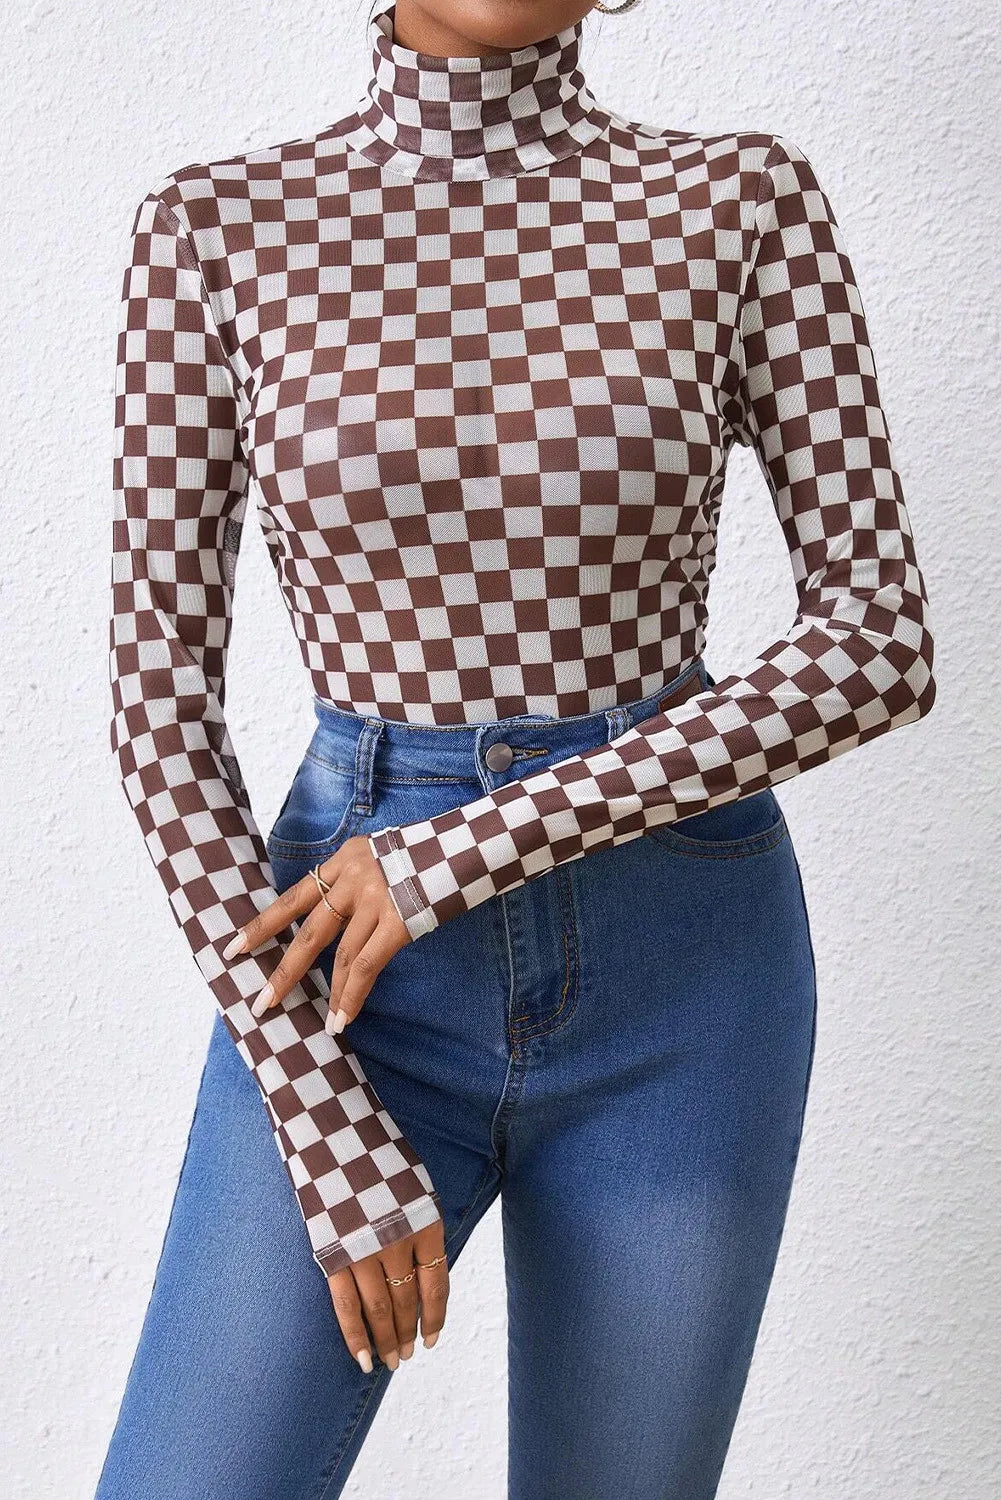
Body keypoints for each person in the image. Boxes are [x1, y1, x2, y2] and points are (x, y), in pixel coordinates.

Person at [95, 0, 936, 1495]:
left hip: (681, 977)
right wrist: (318, 1112)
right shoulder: (215, 231)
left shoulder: (740, 203)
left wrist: (454, 855)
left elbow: (878, 647)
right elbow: (158, 702)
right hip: (346, 984)